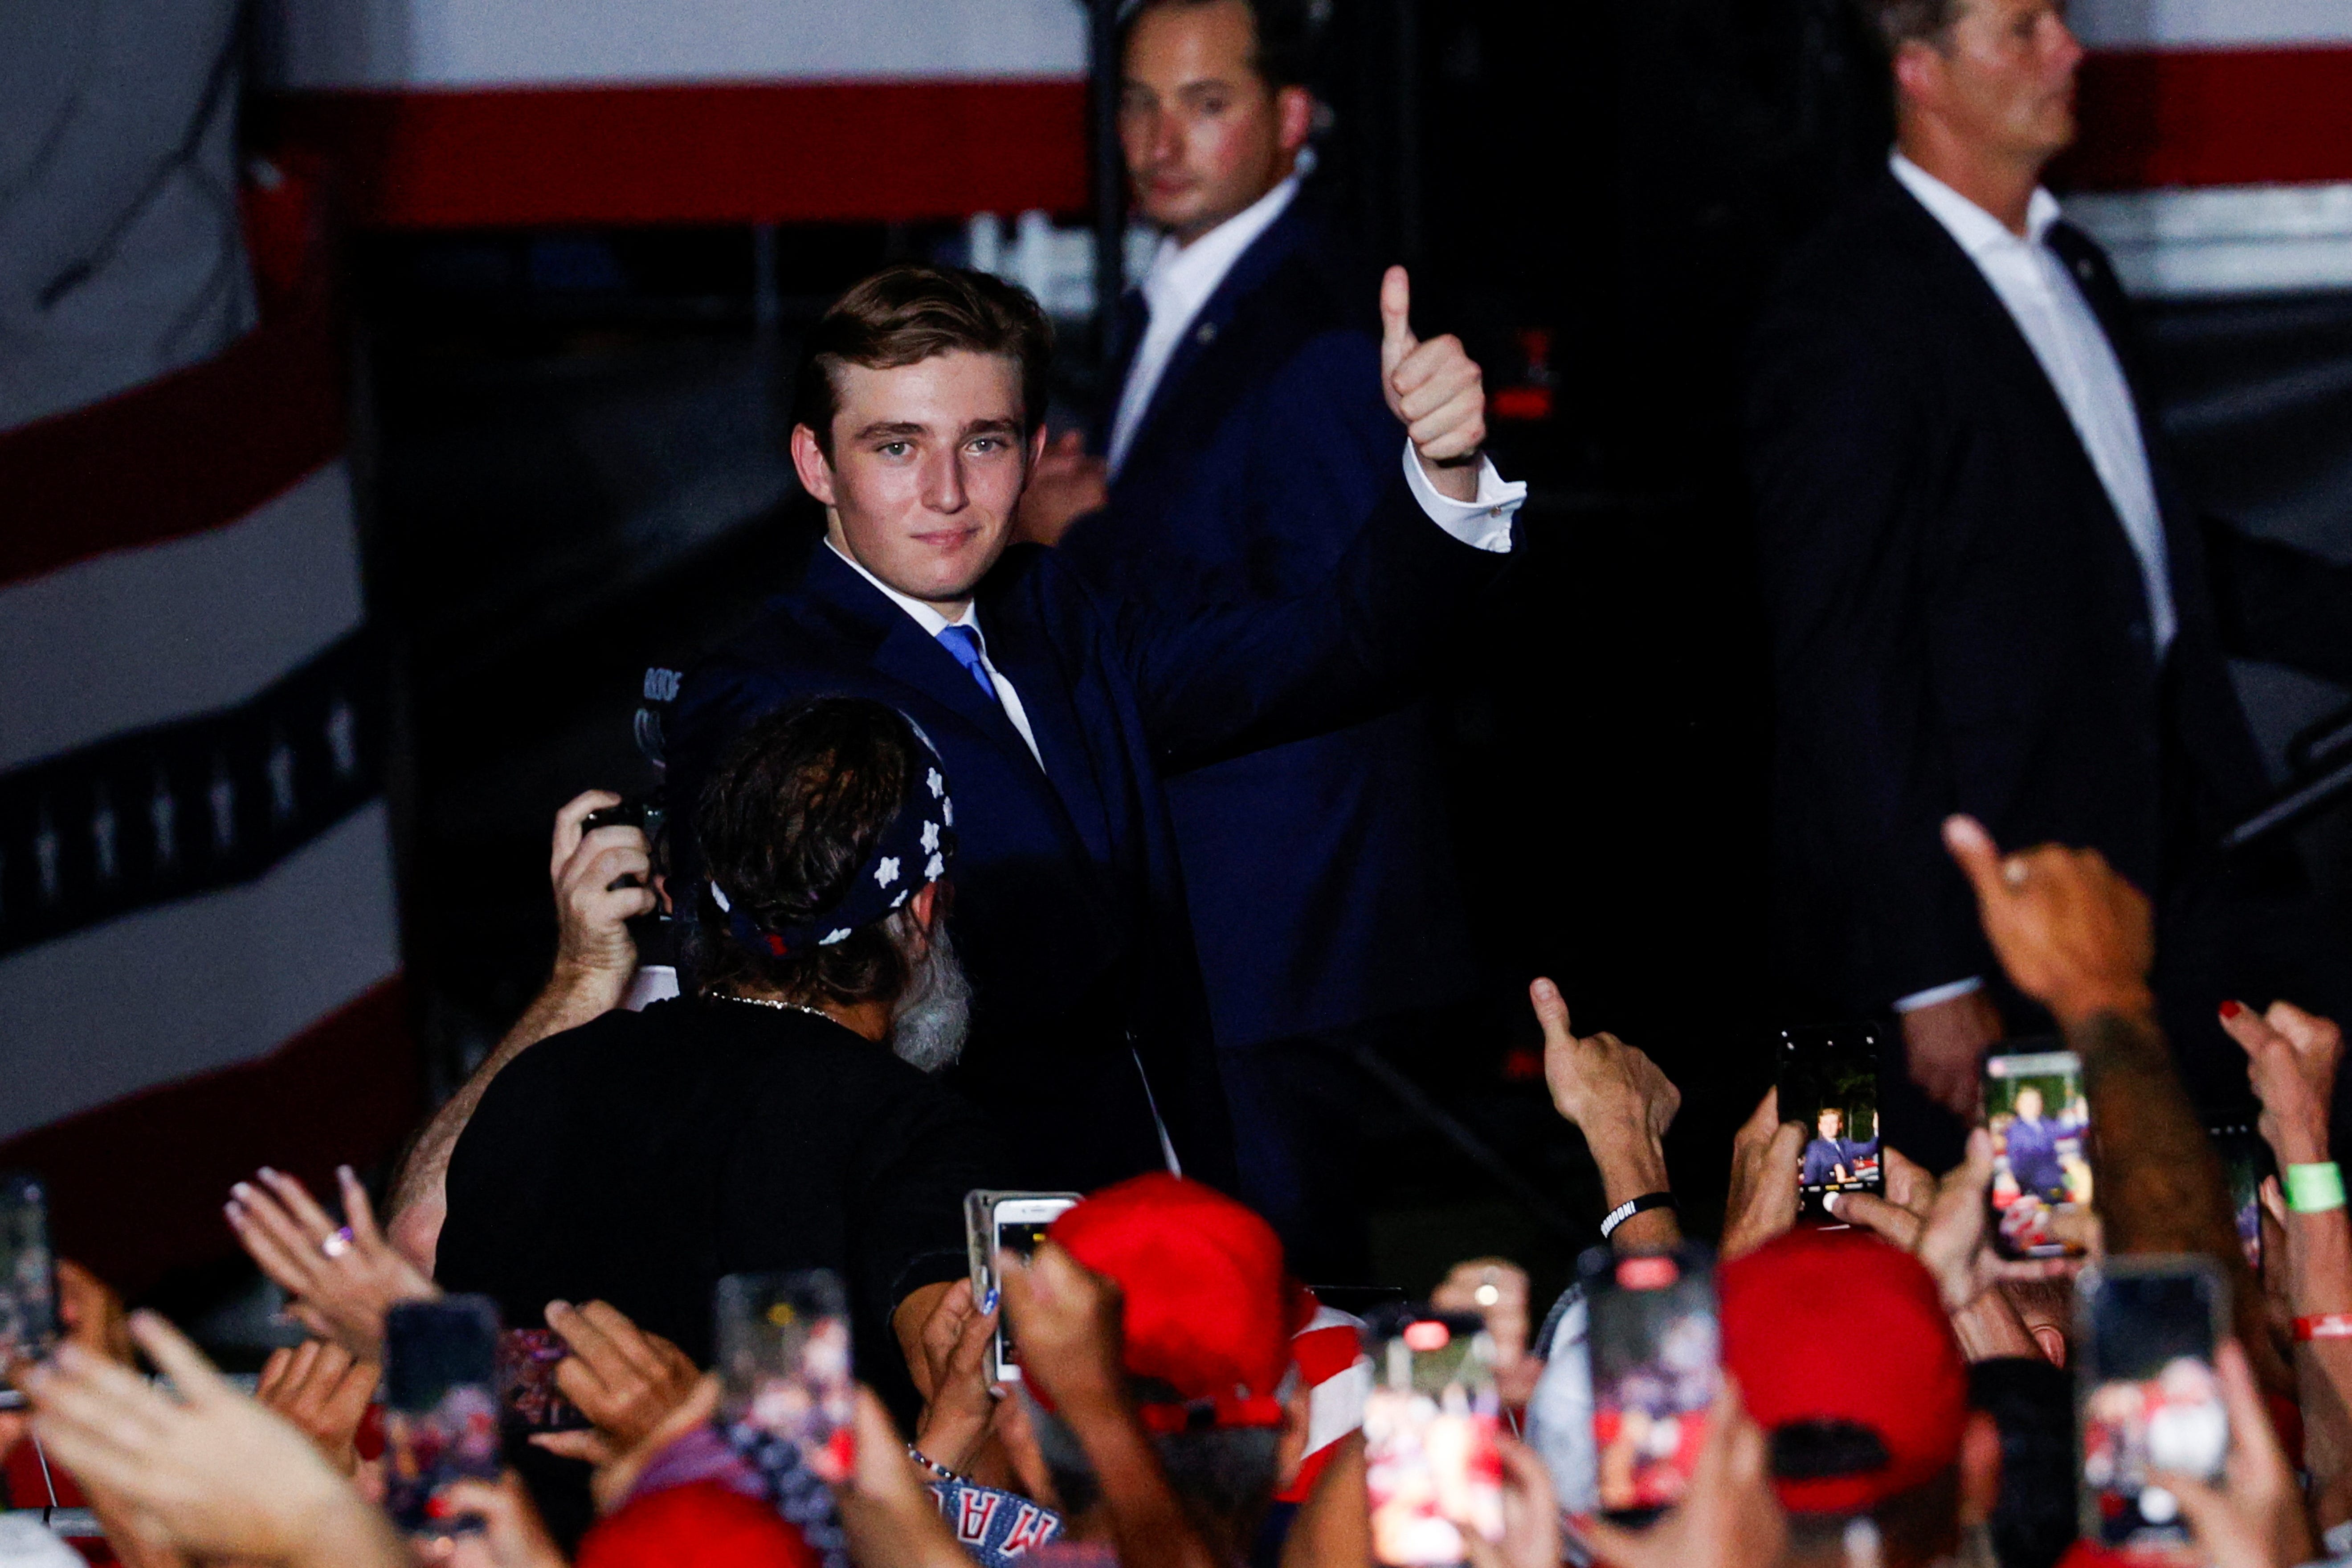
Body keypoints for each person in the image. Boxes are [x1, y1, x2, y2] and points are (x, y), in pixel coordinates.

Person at [665, 260, 1521, 1195]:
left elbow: (1337, 647)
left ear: (1034, 453)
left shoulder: (1061, 612)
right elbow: (778, 1041)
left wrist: (1441, 467)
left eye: (983, 443)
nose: (948, 492)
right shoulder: (765, 692)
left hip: (1170, 1183)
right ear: (816, 463)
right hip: (963, 1238)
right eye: (898, 448)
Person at [1745, 0, 2352, 1166]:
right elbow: (1843, 658)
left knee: (2181, 1224)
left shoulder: (2070, 262)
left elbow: (2152, 557)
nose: (2069, 52)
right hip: (1972, 925)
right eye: (2021, 31)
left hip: (2146, 879)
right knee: (1947, 1265)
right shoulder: (1848, 306)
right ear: (1918, 71)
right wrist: (1929, 971)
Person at [1011, 0, 1480, 1282]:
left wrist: (1082, 540)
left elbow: (1326, 629)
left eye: (1204, 103)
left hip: (1272, 918)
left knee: (1270, 1304)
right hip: (1207, 907)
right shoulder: (1182, 293)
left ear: (1287, 119)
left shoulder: (1317, 326)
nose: (1162, 140)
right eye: (1139, 104)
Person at [433, 698, 996, 1539]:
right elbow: (967, 1378)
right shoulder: (908, 1126)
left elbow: (467, 1395)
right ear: (921, 913)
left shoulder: (534, 1086)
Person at [1801, 1106, 1878, 1190]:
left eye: (1833, 1123)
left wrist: (1877, 1129)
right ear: (1820, 1127)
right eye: (1826, 1123)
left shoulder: (1845, 1144)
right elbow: (1810, 1180)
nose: (1829, 1127)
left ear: (1840, 1125)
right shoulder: (1815, 1147)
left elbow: (1868, 1149)